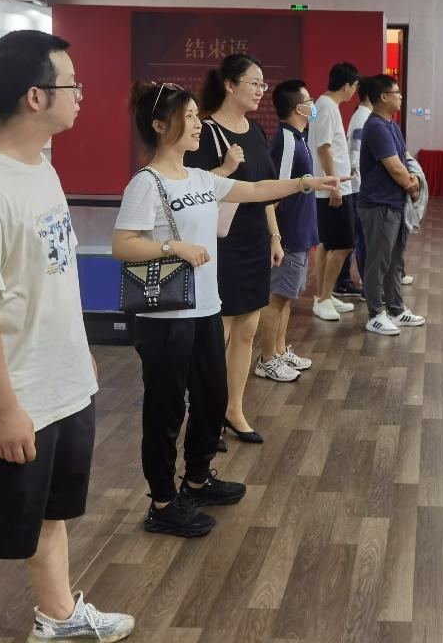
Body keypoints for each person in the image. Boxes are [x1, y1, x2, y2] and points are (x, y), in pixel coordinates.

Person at [0, 30, 134, 643]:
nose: (81, 95)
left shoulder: (41, 166)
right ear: (34, 96)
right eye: (72, 85)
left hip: (64, 384)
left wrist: (80, 352)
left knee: (53, 512)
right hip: (16, 395)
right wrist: (3, 409)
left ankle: (59, 616)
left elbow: (54, 272)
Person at [113, 81, 339, 534]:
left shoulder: (200, 178)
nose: (197, 124)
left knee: (212, 399)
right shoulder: (146, 183)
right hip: (166, 318)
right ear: (159, 125)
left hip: (205, 309)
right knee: (165, 411)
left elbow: (254, 189)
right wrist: (172, 246)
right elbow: (122, 245)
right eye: (188, 117)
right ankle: (162, 503)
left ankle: (197, 479)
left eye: (196, 115)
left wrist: (303, 183)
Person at [183, 54, 278, 445]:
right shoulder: (205, 132)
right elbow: (189, 188)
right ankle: (205, 413)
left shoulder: (255, 131)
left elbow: (264, 189)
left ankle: (233, 409)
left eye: (262, 84)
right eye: (254, 83)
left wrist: (275, 236)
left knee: (248, 329)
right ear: (229, 84)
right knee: (217, 332)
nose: (260, 91)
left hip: (254, 239)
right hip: (221, 244)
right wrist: (224, 168)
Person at [257, 80, 323, 382]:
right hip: (288, 234)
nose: (313, 105)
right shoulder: (285, 140)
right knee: (277, 297)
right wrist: (277, 237)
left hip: (300, 231)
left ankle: (280, 350)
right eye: (309, 101)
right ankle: (267, 358)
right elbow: (275, 191)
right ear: (299, 108)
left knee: (286, 297)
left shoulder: (299, 137)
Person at [357, 74, 425, 336]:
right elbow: (395, 167)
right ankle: (375, 315)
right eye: (396, 92)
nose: (400, 96)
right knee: (378, 261)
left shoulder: (391, 124)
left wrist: (412, 180)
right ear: (383, 97)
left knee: (395, 260)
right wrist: (412, 186)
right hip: (379, 205)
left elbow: (404, 159)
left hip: (394, 204)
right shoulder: (376, 126)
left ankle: (396, 309)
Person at [308, 62, 360, 322]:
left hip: (330, 186)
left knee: (328, 244)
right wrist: (334, 185)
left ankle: (323, 296)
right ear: (347, 85)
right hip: (333, 187)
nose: (355, 92)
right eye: (355, 86)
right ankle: (324, 298)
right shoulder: (327, 107)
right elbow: (323, 148)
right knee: (344, 244)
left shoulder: (322, 105)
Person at [337, 77, 376, 298]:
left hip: (358, 185)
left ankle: (351, 281)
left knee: (357, 237)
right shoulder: (364, 118)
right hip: (359, 186)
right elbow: (356, 156)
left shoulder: (362, 116)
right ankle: (364, 284)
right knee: (360, 238)